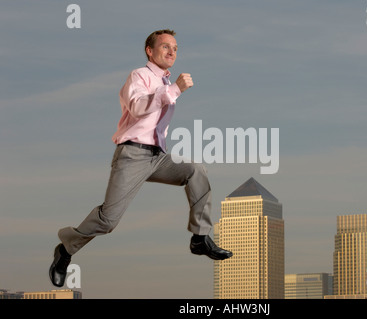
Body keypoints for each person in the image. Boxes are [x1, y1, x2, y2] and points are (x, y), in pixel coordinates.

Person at [49, 29, 233, 288]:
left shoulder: (165, 83)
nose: (172, 52)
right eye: (165, 46)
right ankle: (65, 250)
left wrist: (171, 89)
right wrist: (175, 90)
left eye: (176, 48)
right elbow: (136, 107)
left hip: (158, 158)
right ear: (150, 50)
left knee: (195, 170)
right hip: (132, 156)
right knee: (107, 221)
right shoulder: (140, 76)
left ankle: (200, 238)